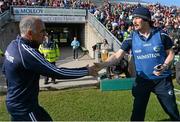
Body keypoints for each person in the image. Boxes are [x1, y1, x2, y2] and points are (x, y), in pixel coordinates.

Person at [2, 16, 97, 121]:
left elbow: (4, 71)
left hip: (18, 104)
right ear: (30, 34)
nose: (45, 35)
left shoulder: (13, 45)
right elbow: (56, 71)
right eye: (42, 31)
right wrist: (87, 70)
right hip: (24, 108)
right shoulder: (27, 53)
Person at [94, 7, 180, 121]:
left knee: (172, 111)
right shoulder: (131, 37)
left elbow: (171, 54)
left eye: (137, 18)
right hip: (142, 80)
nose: (133, 21)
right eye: (133, 18)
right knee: (137, 114)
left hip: (162, 81)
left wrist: (164, 66)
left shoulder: (161, 34)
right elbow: (117, 56)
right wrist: (102, 65)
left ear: (146, 20)